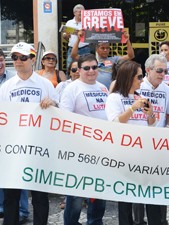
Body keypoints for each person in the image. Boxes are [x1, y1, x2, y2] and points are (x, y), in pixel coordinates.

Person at [0, 42, 59, 225]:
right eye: (15, 57)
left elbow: (59, 112)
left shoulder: (46, 84)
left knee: (40, 196)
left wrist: (52, 104)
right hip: (14, 148)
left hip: (39, 148)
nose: (18, 61)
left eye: (23, 57)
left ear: (33, 59)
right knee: (11, 197)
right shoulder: (6, 87)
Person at [105, 60, 159, 225]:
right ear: (129, 77)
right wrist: (132, 108)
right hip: (124, 155)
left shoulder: (140, 97)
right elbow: (115, 123)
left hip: (144, 154)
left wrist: (151, 114)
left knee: (151, 196)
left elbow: (152, 124)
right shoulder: (114, 98)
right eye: (139, 76)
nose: (142, 80)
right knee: (126, 199)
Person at [60, 53, 107, 225]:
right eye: (86, 68)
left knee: (99, 191)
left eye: (94, 67)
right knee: (77, 194)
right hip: (80, 150)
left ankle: (95, 222)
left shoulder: (103, 88)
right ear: (79, 70)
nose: (91, 71)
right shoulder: (72, 89)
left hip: (102, 149)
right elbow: (65, 118)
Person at [138, 54, 169, 225]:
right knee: (139, 185)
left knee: (159, 184)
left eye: (165, 71)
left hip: (159, 143)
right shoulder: (138, 86)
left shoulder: (167, 89)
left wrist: (168, 127)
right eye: (159, 70)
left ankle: (160, 220)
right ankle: (138, 220)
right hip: (138, 143)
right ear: (148, 70)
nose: (163, 74)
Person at [0, 49, 30, 224]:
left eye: (2, 60)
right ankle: (4, 208)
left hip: (18, 133)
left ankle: (22, 211)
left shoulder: (14, 79)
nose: (0, 64)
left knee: (20, 173)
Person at [63, 4, 90, 68]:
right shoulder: (69, 23)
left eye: (83, 12)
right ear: (74, 13)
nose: (81, 14)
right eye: (80, 12)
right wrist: (66, 36)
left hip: (85, 48)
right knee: (70, 67)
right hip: (72, 49)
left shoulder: (87, 22)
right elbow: (66, 38)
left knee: (85, 67)